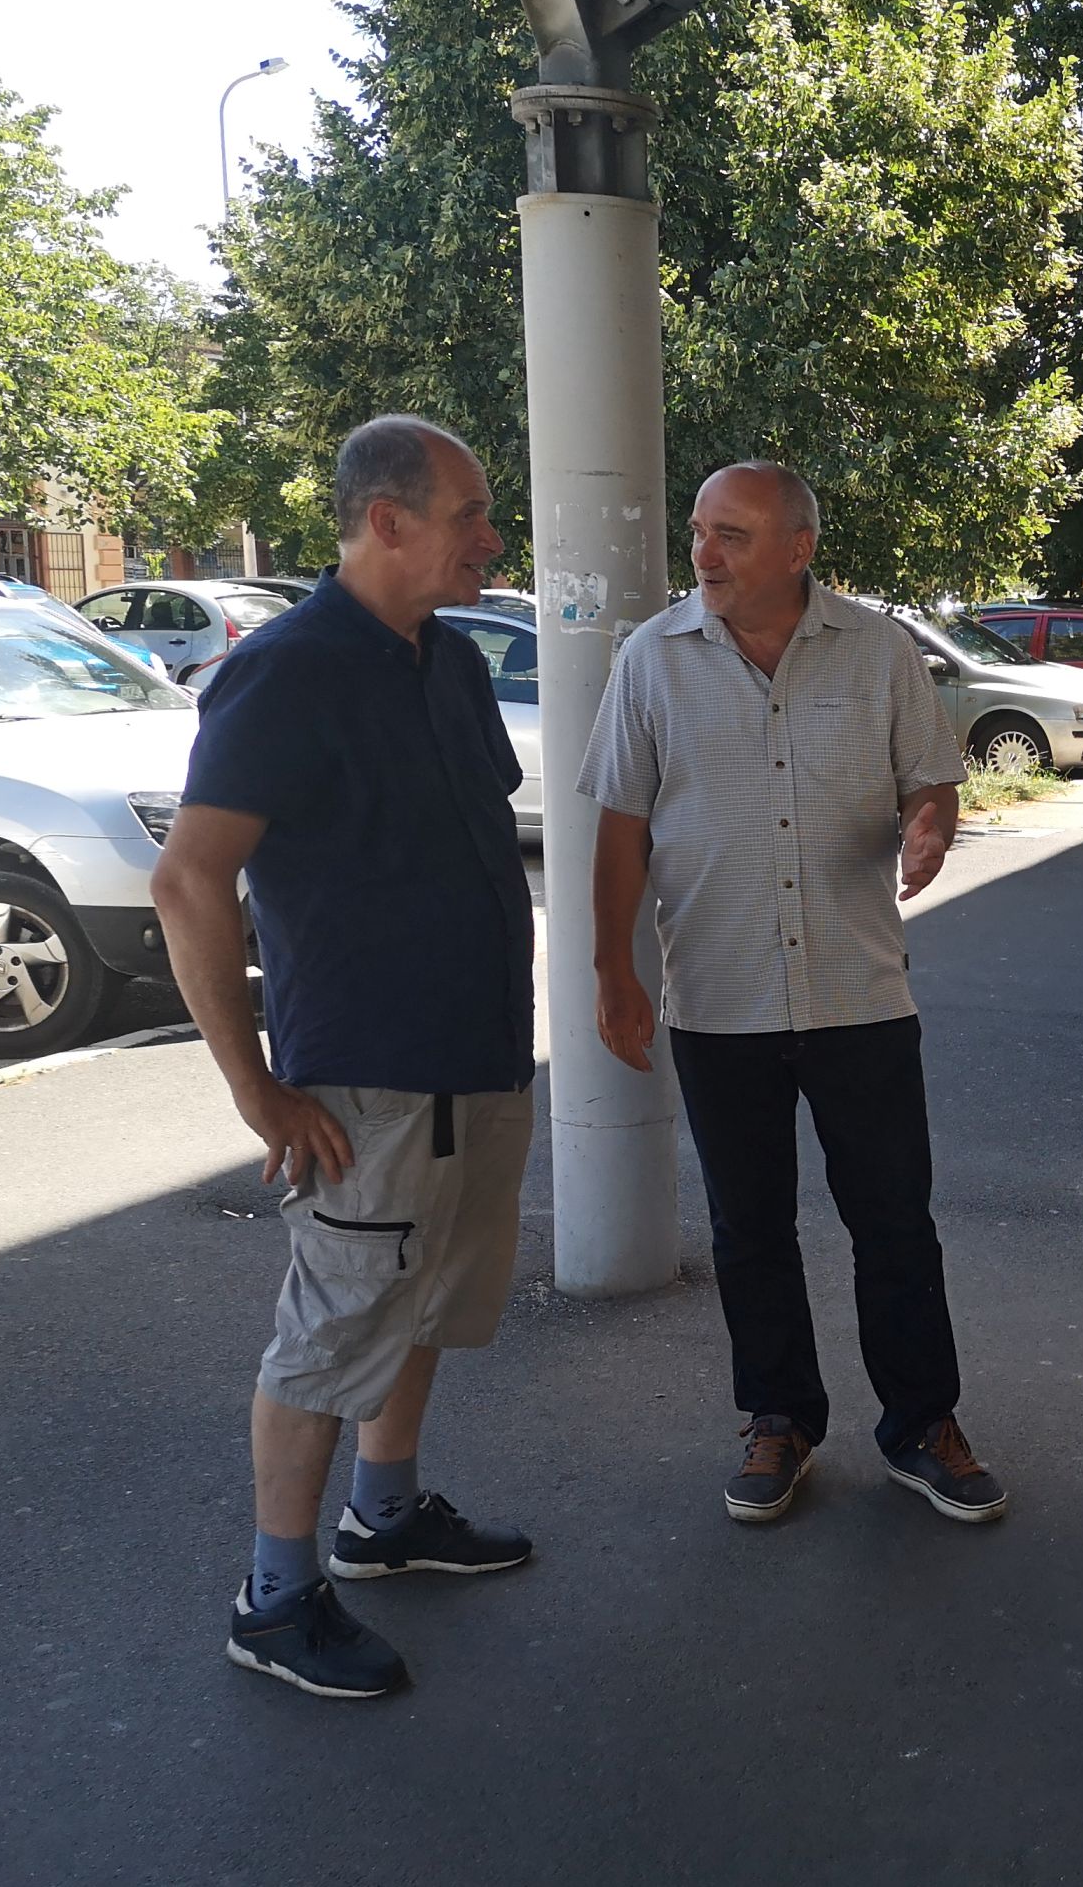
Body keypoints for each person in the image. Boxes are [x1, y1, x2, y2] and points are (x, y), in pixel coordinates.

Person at [154, 415, 536, 1700]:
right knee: (331, 1333)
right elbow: (188, 880)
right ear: (387, 521)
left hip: (475, 1056)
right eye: (470, 516)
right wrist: (255, 1086)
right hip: (363, 1077)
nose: (491, 540)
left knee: (419, 1301)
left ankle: (384, 1515)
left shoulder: (450, 660)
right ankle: (274, 1597)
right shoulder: (287, 671)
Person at [582, 462, 1005, 1527]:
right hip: (717, 994)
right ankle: (778, 1418)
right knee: (750, 1229)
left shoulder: (879, 650)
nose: (703, 553)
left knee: (894, 1225)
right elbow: (621, 826)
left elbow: (931, 776)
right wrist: (612, 969)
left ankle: (922, 1424)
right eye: (698, 531)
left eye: (730, 534)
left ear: (799, 546)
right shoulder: (651, 659)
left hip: (858, 993)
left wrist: (930, 825)